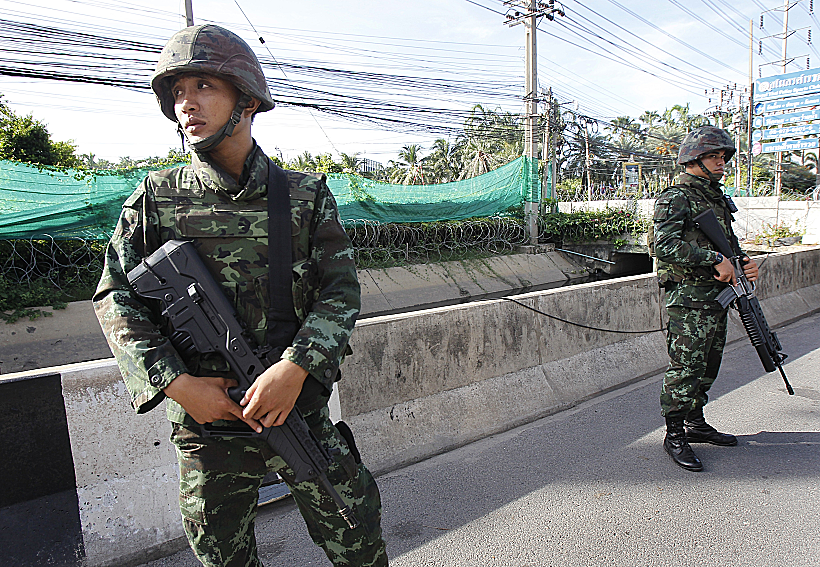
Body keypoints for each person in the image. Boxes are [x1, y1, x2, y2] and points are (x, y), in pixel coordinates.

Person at [94, 24, 388, 566]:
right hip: (208, 425)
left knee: (358, 537)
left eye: (203, 85)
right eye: (177, 92)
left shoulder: (303, 196)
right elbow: (115, 295)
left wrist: (295, 368)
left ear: (247, 100)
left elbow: (340, 289)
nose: (187, 104)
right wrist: (177, 384)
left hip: (295, 407)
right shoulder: (156, 199)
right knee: (222, 556)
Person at [653, 126, 759, 472]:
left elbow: (726, 244)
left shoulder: (713, 197)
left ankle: (695, 423)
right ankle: (674, 433)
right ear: (694, 158)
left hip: (716, 298)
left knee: (709, 364)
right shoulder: (677, 196)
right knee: (686, 367)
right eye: (714, 156)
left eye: (724, 156)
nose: (722, 162)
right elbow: (661, 245)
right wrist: (714, 261)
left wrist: (742, 263)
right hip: (688, 299)